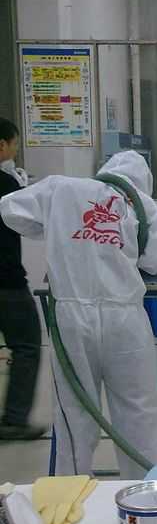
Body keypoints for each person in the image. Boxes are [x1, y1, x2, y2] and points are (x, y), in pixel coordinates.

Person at [0, 151, 157, 478]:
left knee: (74, 413)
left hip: (71, 316)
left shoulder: (59, 188)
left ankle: (71, 491)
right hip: (124, 316)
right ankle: (143, 492)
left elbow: (9, 209)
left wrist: (55, 228)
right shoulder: (141, 203)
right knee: (138, 411)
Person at [0, 118, 44, 441]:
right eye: (15, 145)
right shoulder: (7, 185)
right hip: (7, 282)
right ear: (3, 145)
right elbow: (32, 220)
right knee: (27, 345)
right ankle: (14, 419)